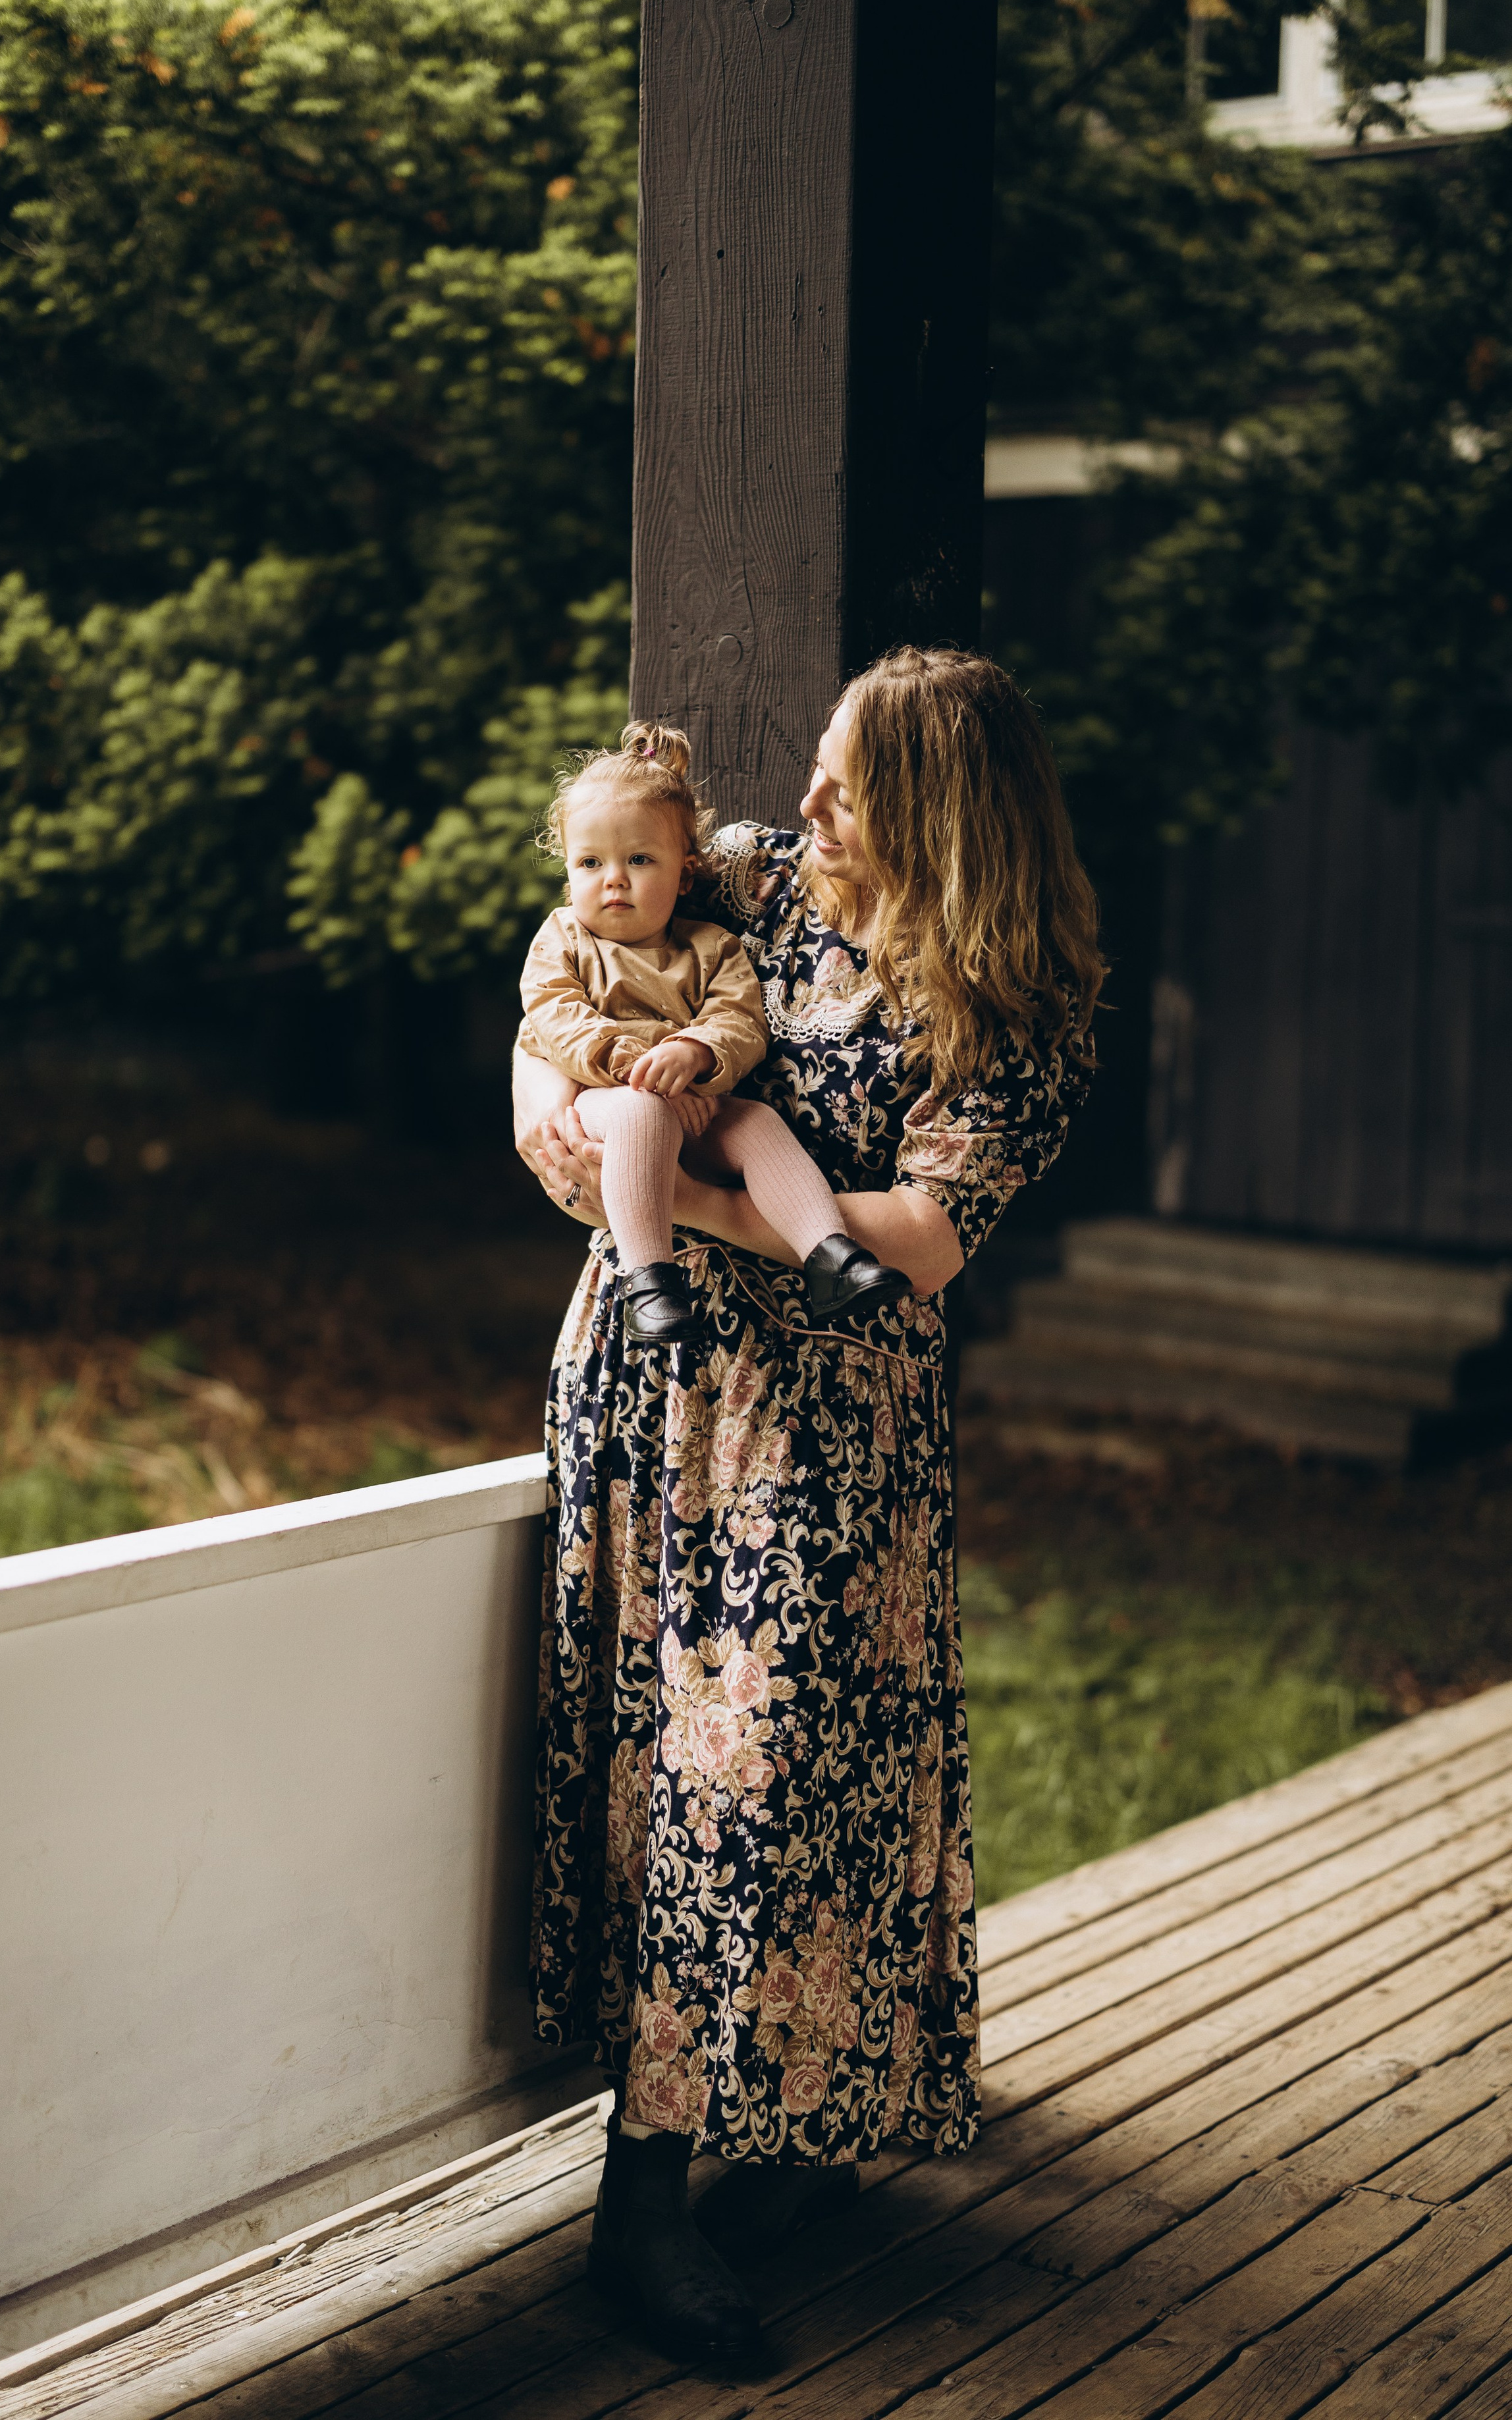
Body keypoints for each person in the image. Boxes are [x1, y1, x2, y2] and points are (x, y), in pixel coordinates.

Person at [514, 646, 1104, 2363]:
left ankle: (733, 2153)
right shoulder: (746, 875)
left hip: (824, 1450)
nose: (814, 804)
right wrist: (586, 1123)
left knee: (777, 1779)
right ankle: (664, 2177)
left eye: (855, 785)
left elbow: (921, 1246)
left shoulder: (1014, 1004)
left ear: (941, 819)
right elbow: (555, 1019)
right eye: (824, 771)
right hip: (652, 1391)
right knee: (657, 1779)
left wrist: (672, 1186)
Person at [519, 724, 911, 1345]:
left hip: (696, 1105)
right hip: (608, 1107)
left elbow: (739, 1020)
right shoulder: (563, 939)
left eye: (639, 861)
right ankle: (648, 1280)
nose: (613, 879)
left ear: (684, 874)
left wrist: (696, 1052)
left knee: (756, 1123)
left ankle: (830, 1253)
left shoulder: (712, 945)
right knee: (641, 1116)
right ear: (568, 873)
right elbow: (555, 1015)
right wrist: (638, 1067)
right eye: (590, 863)